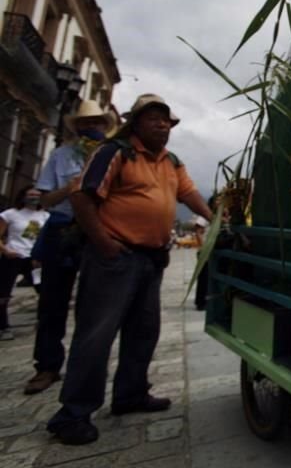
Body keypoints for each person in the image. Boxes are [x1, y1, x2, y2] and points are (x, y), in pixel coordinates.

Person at [47, 94, 213, 445]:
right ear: (136, 122)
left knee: (144, 330)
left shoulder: (172, 162)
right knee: (97, 333)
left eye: (166, 120)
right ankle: (72, 413)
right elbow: (81, 196)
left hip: (151, 259)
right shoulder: (116, 152)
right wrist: (104, 242)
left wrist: (217, 221)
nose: (162, 125)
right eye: (153, 118)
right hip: (115, 257)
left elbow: (190, 195)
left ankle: (130, 394)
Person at [25, 100, 113, 395]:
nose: (92, 127)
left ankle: (86, 365)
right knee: (52, 303)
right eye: (86, 123)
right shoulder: (61, 156)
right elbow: (46, 200)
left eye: (97, 122)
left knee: (94, 305)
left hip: (96, 231)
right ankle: (47, 365)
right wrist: (74, 186)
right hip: (63, 229)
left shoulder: (112, 155)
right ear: (78, 127)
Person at [0, 187, 49, 340]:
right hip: (13, 256)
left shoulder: (45, 216)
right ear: (23, 196)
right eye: (30, 194)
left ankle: (43, 321)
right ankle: (3, 326)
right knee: (3, 293)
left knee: (44, 290)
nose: (34, 197)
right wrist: (5, 250)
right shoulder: (10, 214)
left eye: (37, 195)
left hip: (34, 259)